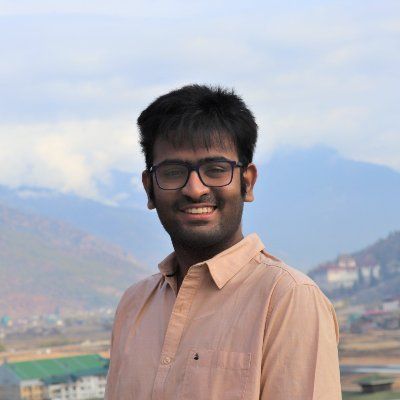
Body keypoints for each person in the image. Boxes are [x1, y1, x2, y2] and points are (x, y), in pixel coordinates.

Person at [105, 85, 342, 400]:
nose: (195, 189)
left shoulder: (287, 299)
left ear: (247, 182)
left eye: (215, 170)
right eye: (173, 172)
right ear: (150, 188)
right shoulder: (134, 305)